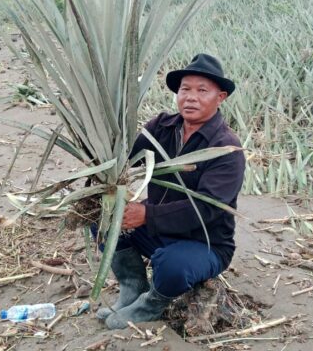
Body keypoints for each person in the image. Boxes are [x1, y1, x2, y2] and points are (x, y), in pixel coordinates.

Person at [96, 53, 246, 330]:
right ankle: (132, 288)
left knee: (173, 264)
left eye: (202, 90)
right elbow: (125, 159)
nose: (190, 97)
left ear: (220, 97)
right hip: (157, 233)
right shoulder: (161, 127)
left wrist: (147, 215)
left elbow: (208, 208)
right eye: (185, 89)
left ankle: (152, 302)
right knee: (101, 217)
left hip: (205, 243)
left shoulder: (226, 148)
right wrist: (99, 166)